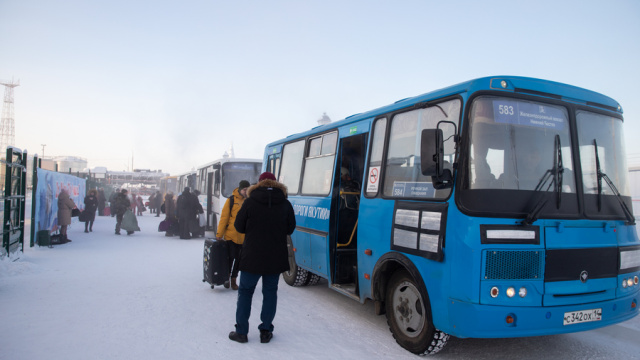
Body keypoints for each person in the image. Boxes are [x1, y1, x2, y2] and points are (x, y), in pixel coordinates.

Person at [228, 172, 295, 344]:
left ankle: (241, 332)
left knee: (245, 292)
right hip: (275, 257)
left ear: (259, 183)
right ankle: (266, 331)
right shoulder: (285, 203)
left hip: (252, 256)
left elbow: (239, 226)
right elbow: (290, 228)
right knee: (270, 293)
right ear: (275, 183)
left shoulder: (249, 202)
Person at [215, 180, 250, 290]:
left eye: (247, 190)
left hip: (243, 237)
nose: (245, 192)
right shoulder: (231, 200)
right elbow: (224, 218)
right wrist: (219, 233)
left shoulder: (249, 201)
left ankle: (234, 279)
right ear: (240, 189)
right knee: (230, 258)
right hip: (231, 236)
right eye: (244, 189)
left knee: (239, 260)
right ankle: (227, 278)